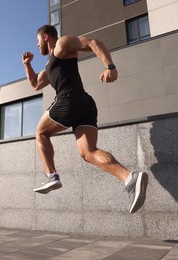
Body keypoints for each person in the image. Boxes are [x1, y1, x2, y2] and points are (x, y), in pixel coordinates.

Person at [22, 25, 148, 213]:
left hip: (69, 99)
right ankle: (130, 178)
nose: (37, 44)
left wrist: (110, 67)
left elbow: (93, 42)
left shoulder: (61, 45)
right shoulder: (49, 67)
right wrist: (27, 64)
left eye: (38, 40)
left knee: (41, 132)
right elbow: (35, 84)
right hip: (85, 105)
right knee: (88, 152)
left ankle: (51, 176)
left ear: (46, 37)